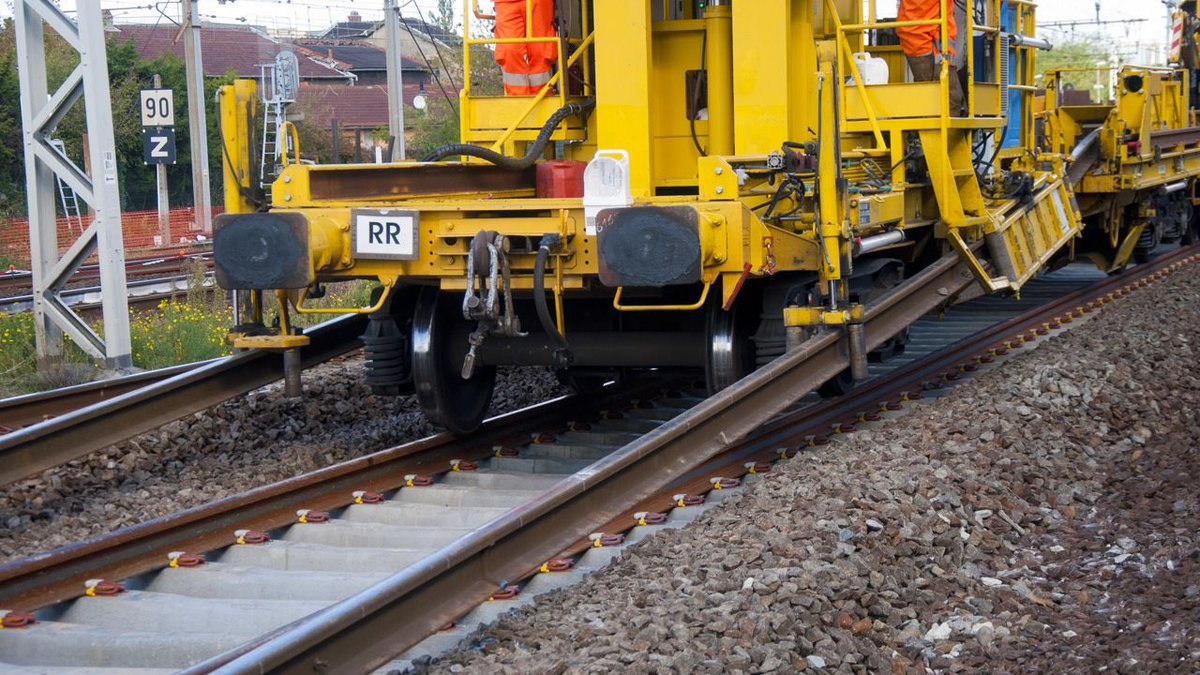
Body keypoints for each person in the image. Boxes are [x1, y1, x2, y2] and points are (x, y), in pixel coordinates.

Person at [896, 0, 964, 116]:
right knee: (943, 97)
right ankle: (932, 132)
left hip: (929, 37)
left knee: (949, 97)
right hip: (919, 36)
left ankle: (933, 131)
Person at [494, 0, 557, 96]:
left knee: (541, 50)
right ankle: (518, 99)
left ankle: (542, 96)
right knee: (509, 49)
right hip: (506, 2)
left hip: (540, 2)